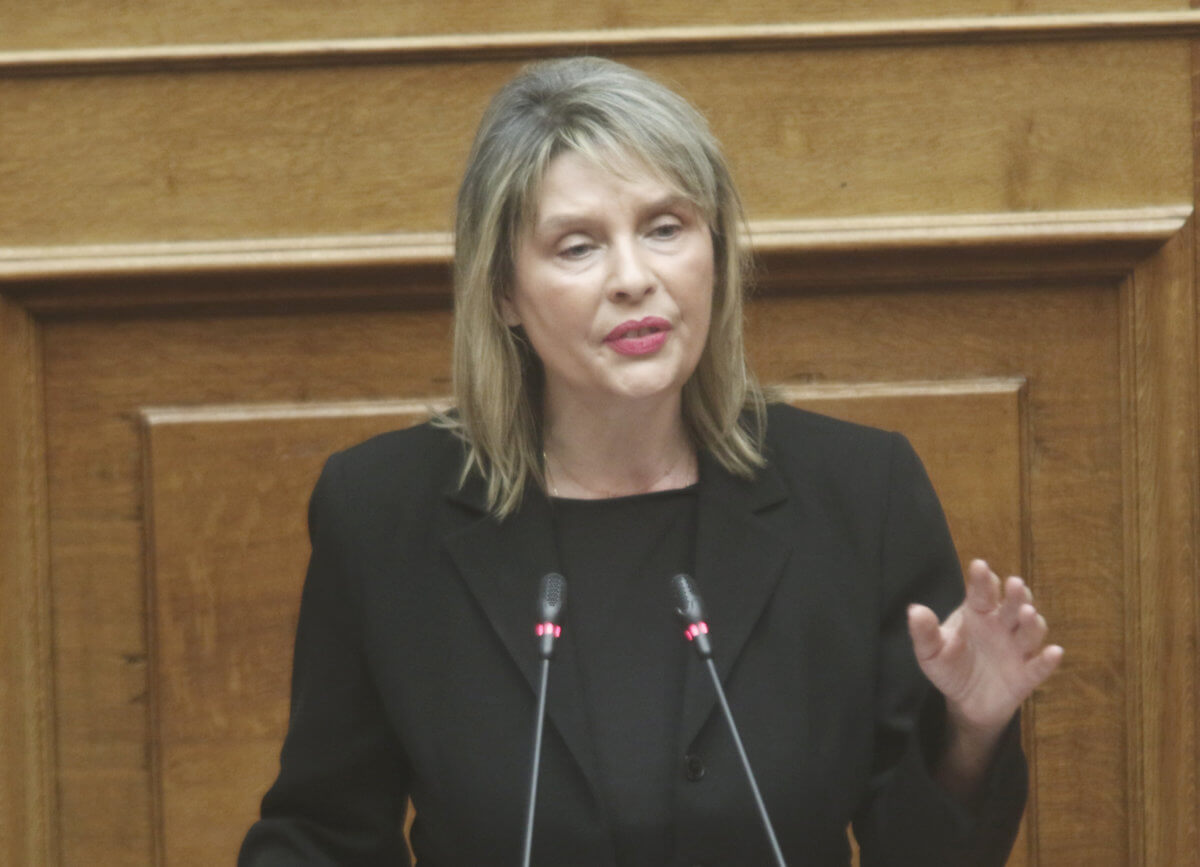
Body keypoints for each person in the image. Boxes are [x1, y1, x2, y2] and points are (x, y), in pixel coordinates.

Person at [239, 56, 1062, 866]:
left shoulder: (859, 493)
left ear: (714, 251)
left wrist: (971, 728)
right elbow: (322, 836)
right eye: (577, 246)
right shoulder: (383, 512)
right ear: (503, 292)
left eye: (665, 228)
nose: (634, 278)